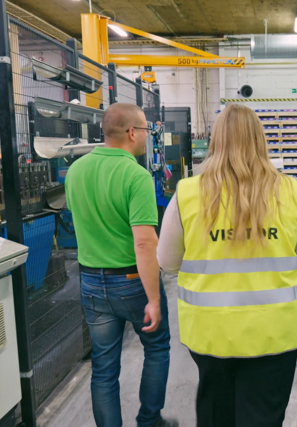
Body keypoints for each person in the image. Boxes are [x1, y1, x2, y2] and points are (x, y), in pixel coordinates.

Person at [157, 104, 297, 427]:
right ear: (260, 141)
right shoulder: (290, 192)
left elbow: (166, 262)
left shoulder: (188, 194)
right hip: (276, 334)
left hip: (210, 332)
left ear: (216, 140)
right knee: (263, 417)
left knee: (216, 415)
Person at [65, 103, 177, 427]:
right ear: (132, 133)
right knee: (156, 349)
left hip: (90, 281)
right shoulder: (136, 176)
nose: (146, 137)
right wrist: (154, 299)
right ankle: (149, 421)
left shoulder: (76, 171)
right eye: (144, 131)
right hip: (132, 281)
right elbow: (144, 243)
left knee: (103, 368)